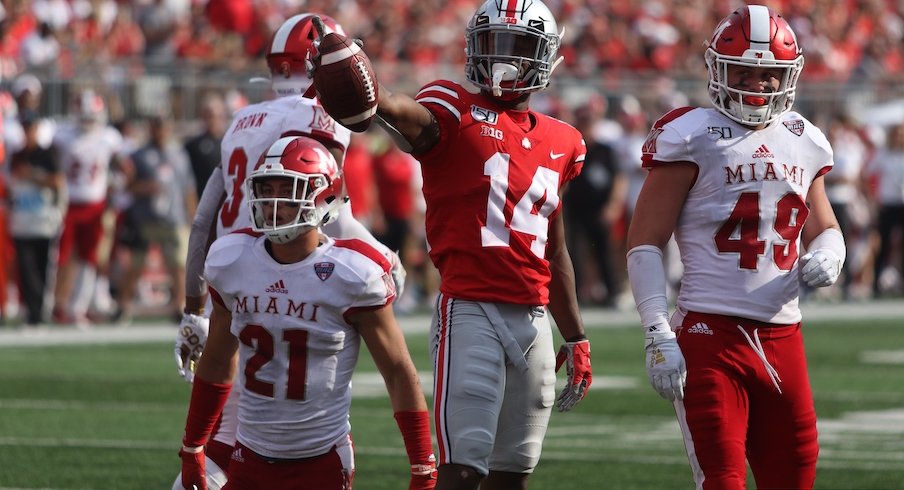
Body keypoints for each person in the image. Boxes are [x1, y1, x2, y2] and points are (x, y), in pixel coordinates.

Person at [308, 1, 592, 487]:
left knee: (513, 475)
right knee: (461, 470)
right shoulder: (453, 107)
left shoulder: (564, 140)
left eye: (518, 47)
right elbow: (399, 111)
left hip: (535, 319)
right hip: (471, 310)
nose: (503, 58)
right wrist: (371, 97)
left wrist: (577, 335)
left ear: (545, 57)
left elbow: (554, 249)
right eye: (493, 44)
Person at [171, 13, 408, 489]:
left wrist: (193, 308)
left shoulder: (242, 117)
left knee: (224, 443)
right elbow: (325, 211)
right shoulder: (317, 114)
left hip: (233, 281)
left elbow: (202, 221)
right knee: (289, 441)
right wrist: (385, 260)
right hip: (289, 271)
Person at [626, 6, 845, 489]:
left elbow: (825, 225)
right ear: (718, 71)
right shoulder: (691, 134)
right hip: (711, 333)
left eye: (769, 75)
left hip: (785, 336)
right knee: (722, 479)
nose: (759, 85)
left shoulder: (803, 138)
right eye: (745, 71)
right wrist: (657, 331)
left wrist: (831, 252)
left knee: (794, 476)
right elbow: (644, 242)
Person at [178, 135, 435, 490]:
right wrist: (193, 445)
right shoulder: (233, 259)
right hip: (248, 454)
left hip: (320, 459)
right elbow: (219, 361)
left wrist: (423, 463)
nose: (273, 203)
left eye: (288, 190)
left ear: (323, 196)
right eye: (266, 190)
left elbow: (396, 370)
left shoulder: (353, 274)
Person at [115, 115, 197, 324]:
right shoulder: (139, 155)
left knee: (178, 265)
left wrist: (193, 216)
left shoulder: (179, 154)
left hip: (174, 217)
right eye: (156, 126)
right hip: (145, 219)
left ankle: (179, 306)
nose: (160, 131)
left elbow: (188, 188)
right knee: (136, 265)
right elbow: (128, 187)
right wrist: (145, 187)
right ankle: (122, 306)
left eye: (163, 126)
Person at [7, 112, 64, 326]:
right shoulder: (18, 154)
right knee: (26, 267)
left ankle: (41, 310)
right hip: (22, 218)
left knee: (43, 267)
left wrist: (32, 175)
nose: (27, 132)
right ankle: (33, 311)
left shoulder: (48, 153)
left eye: (30, 127)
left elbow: (57, 182)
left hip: (43, 218)